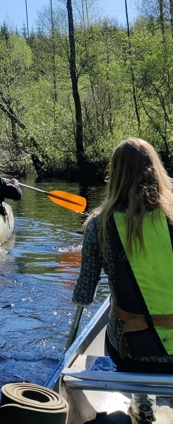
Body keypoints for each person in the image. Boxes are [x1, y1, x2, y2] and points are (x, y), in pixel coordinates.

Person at [72, 138, 173, 422]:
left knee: (118, 322)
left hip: (131, 351)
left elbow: (84, 294)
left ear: (115, 175)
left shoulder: (99, 224)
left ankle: (142, 402)